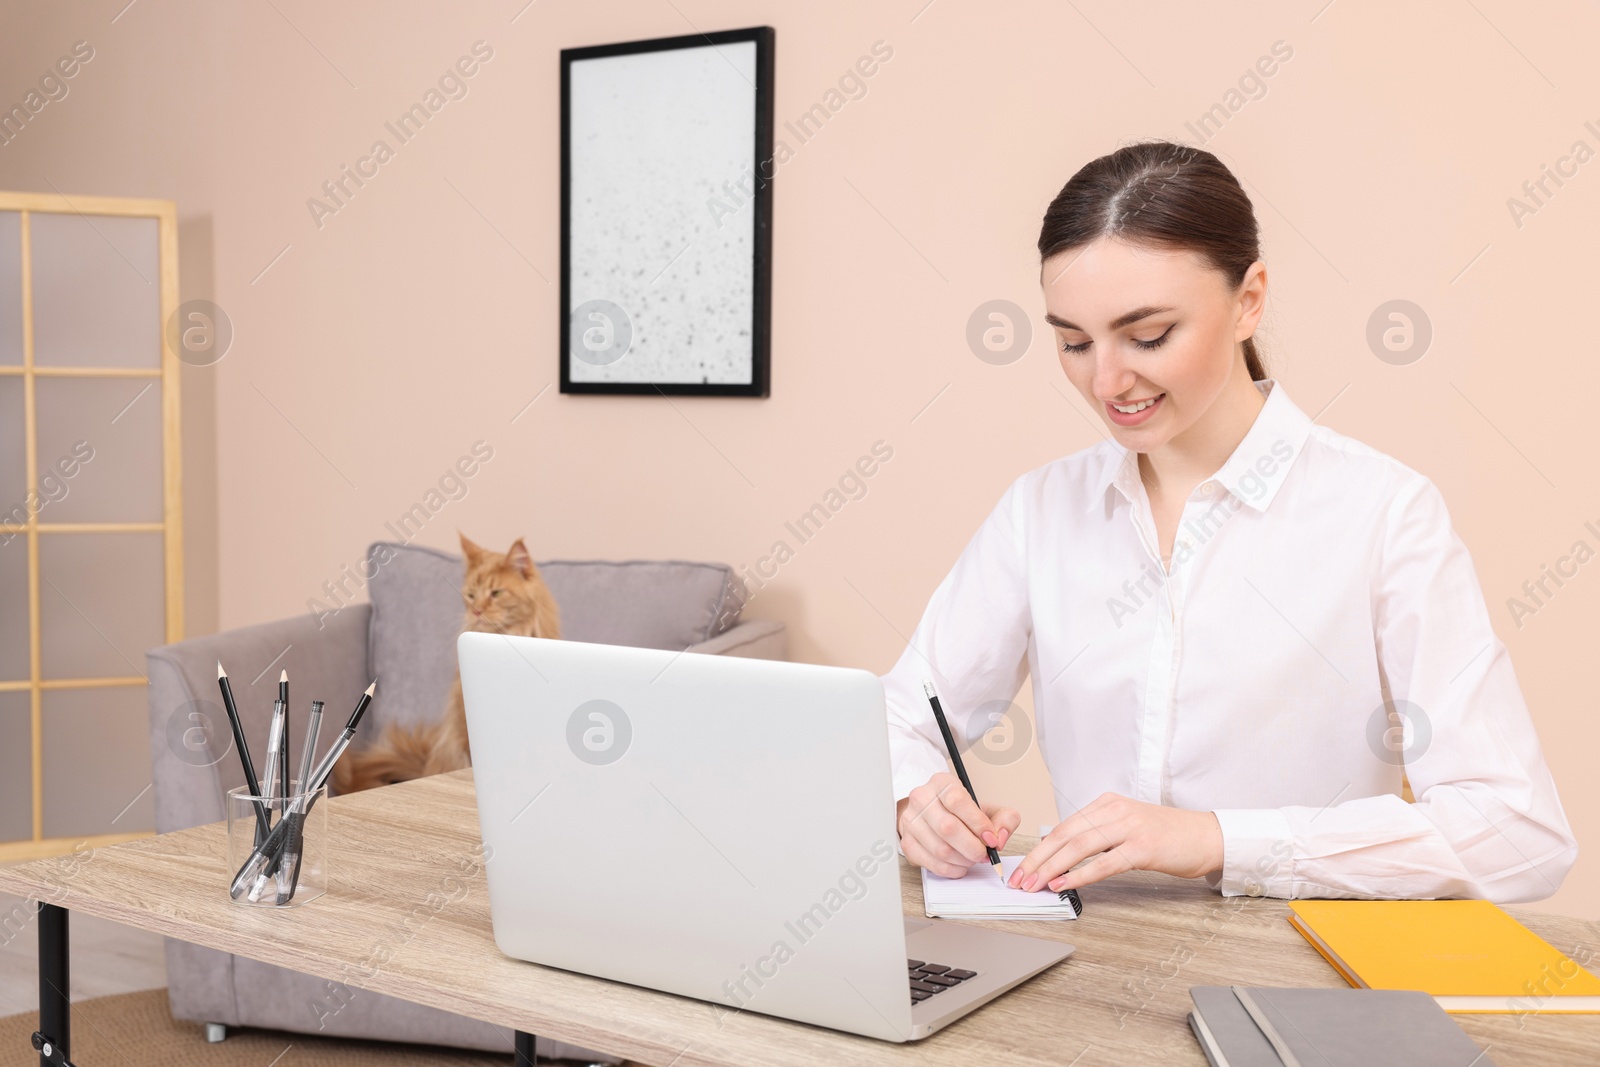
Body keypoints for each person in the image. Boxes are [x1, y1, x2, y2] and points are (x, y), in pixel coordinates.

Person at [885, 141, 1578, 902]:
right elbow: (899, 715)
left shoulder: (1384, 513)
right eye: (1074, 342)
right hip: (1087, 965)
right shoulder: (1040, 510)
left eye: (1148, 336)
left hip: (1297, 978)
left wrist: (1219, 840)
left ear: (1249, 300)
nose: (1107, 381)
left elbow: (1518, 831)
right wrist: (916, 799)